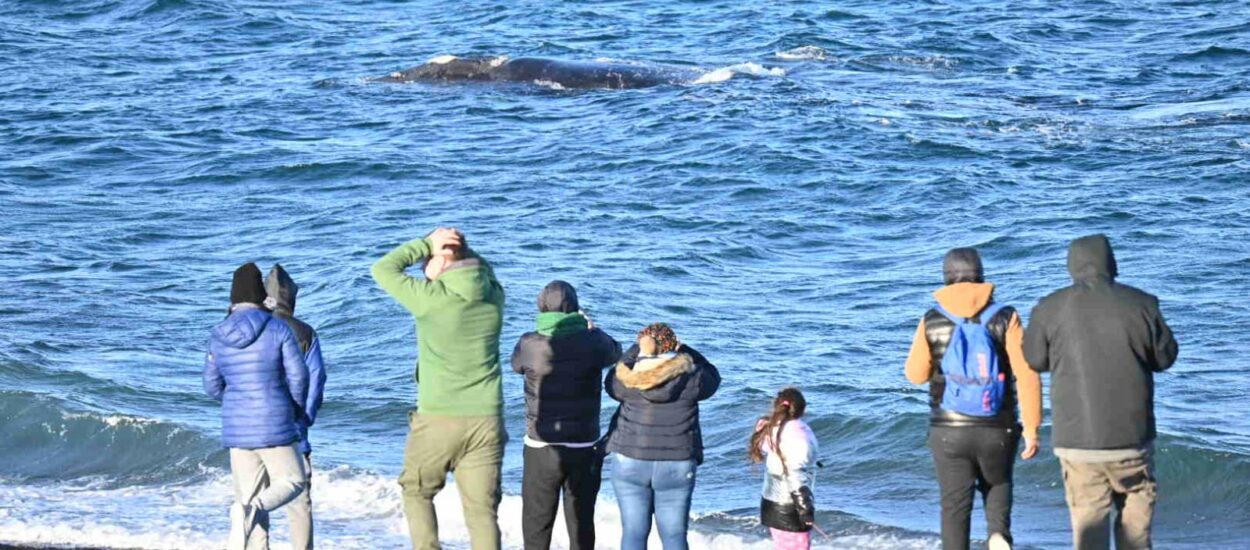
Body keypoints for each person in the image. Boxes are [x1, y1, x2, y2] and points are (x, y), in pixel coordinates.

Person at [1023, 234, 1177, 550]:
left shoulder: (1049, 308)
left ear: (1072, 265)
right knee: (1136, 532)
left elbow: (1034, 359)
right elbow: (1166, 357)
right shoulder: (1142, 303)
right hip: (1132, 438)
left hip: (1077, 440)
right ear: (1111, 263)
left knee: (1088, 529)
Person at [371, 227, 507, 550]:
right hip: (487, 419)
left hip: (439, 418)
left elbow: (382, 269)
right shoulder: (494, 297)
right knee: (482, 512)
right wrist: (456, 250)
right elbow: (483, 271)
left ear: (440, 263)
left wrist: (426, 245)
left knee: (417, 492)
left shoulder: (431, 299)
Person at [904, 248, 1042, 550]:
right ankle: (998, 535)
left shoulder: (931, 319)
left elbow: (915, 375)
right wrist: (1032, 428)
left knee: (954, 506)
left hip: (948, 428)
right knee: (998, 484)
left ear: (946, 277)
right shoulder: (1007, 316)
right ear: (981, 276)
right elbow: (1028, 373)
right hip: (998, 426)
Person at [204, 262, 309, 550]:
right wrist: (296, 410)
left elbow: (211, 386)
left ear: (232, 298)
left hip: (237, 428)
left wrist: (237, 402)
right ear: (261, 295)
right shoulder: (277, 329)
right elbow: (299, 376)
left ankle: (249, 515)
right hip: (275, 422)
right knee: (293, 482)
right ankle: (251, 509)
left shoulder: (218, 334)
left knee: (248, 503)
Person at [511, 281, 622, 550]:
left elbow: (516, 366)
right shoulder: (593, 340)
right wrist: (592, 329)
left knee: (537, 522)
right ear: (575, 307)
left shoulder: (529, 343)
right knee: (581, 520)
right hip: (583, 445)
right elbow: (616, 352)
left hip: (541, 445)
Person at [604, 323, 720, 550]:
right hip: (677, 463)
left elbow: (612, 380)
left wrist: (633, 351)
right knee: (674, 537)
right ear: (671, 346)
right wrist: (686, 350)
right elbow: (713, 376)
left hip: (630, 459)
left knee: (634, 534)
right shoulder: (692, 376)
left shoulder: (627, 378)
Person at [264, 264, 327, 550]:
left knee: (255, 496)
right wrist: (306, 417)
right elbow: (317, 377)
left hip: (254, 426)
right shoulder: (304, 332)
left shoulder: (253, 327)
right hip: (293, 428)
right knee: (299, 499)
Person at [748, 387, 820, 550]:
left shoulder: (773, 429)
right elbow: (794, 473)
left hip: (771, 503)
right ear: (803, 409)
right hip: (789, 506)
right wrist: (805, 508)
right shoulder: (796, 434)